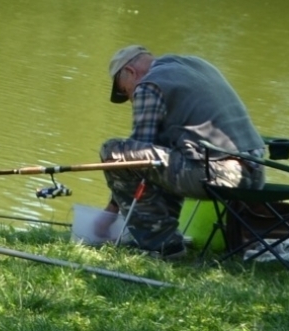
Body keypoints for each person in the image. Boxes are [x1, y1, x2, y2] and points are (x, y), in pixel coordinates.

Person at [98, 44, 266, 257]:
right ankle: (164, 236)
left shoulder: (148, 85)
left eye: (125, 91)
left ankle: (161, 243)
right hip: (255, 173)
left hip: (218, 175)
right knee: (167, 153)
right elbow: (159, 154)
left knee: (113, 151)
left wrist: (110, 213)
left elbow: (135, 161)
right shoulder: (196, 66)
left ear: (130, 73)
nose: (131, 98)